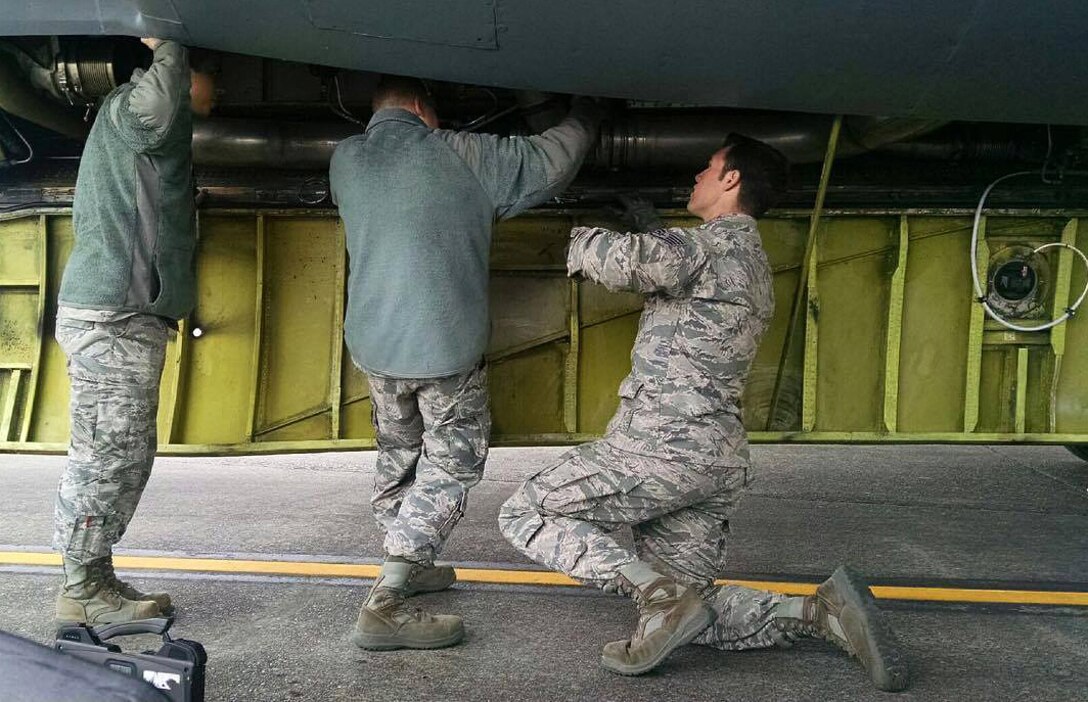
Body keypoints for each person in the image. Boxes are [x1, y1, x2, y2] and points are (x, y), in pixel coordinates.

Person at [499, 134, 908, 691]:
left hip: (661, 446)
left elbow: (622, 261)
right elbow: (671, 268)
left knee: (528, 511)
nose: (696, 176)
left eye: (708, 168)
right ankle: (820, 614)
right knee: (699, 612)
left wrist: (564, 230)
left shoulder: (710, 245)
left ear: (731, 180)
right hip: (713, 457)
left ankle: (659, 596)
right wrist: (653, 232)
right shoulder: (750, 261)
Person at [329, 77, 601, 650]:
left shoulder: (346, 159)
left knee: (399, 452)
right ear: (426, 109)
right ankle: (388, 600)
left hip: (375, 347)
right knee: (450, 465)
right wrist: (587, 103)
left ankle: (409, 556)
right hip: (443, 350)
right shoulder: (463, 153)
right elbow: (556, 157)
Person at [53, 37, 216, 626]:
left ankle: (94, 576)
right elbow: (159, 105)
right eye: (207, 81)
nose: (215, 96)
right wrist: (171, 46)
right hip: (112, 318)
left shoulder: (139, 127)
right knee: (105, 455)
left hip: (125, 316)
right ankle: (80, 591)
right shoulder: (133, 110)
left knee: (125, 453)